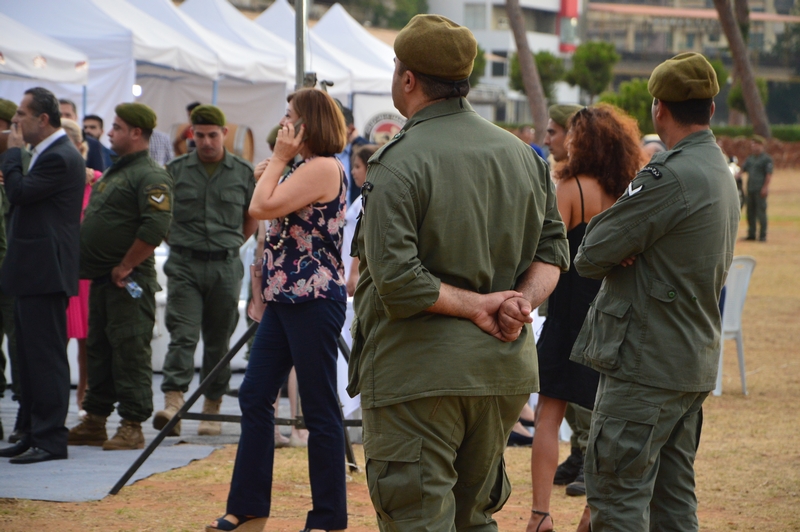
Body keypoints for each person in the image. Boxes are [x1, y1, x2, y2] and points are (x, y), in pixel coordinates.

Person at [348, 15, 569, 531]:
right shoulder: (524, 157)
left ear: (407, 79)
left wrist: (482, 304)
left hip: (419, 377)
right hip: (500, 374)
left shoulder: (397, 162)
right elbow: (554, 251)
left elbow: (398, 280)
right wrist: (520, 301)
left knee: (420, 520)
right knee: (474, 519)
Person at [569, 52, 740, 531]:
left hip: (646, 363)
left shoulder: (668, 175)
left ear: (658, 108)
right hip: (688, 361)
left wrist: (631, 245)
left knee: (619, 500)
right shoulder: (722, 174)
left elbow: (591, 252)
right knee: (673, 505)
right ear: (710, 110)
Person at [207, 88, 349, 532]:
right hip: (285, 299)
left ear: (309, 124)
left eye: (290, 117)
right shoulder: (304, 168)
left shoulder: (323, 167)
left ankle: (327, 519)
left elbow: (259, 206)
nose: (283, 125)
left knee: (320, 408)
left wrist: (278, 167)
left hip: (313, 299)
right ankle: (249, 508)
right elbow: (267, 224)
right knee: (254, 394)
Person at [526, 104, 645, 532]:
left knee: (548, 418)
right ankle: (593, 511)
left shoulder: (572, 188)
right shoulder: (627, 191)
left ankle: (540, 515)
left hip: (566, 318)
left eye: (572, 136)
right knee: (604, 423)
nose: (565, 142)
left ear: (586, 143)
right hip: (610, 321)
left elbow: (549, 253)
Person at [67, 103, 173, 451]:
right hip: (102, 279)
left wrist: (127, 265)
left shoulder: (151, 175)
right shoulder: (117, 171)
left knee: (130, 350)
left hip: (128, 280)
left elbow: (156, 226)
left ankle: (132, 425)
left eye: (116, 127)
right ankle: (95, 420)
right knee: (99, 350)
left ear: (136, 133)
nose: (109, 133)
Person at [153, 104, 257, 437]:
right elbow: (163, 218)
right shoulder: (176, 170)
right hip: (184, 263)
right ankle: (173, 404)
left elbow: (251, 217)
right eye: (200, 136)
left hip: (225, 265)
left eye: (213, 135)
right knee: (182, 334)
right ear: (191, 135)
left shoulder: (242, 171)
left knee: (218, 340)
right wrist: (182, 243)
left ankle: (211, 406)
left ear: (224, 134)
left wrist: (229, 245)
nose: (207, 141)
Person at [0, 87, 84, 464]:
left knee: (46, 358)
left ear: (43, 119)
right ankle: (32, 430)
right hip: (33, 270)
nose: (16, 121)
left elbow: (18, 192)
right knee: (29, 357)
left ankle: (50, 438)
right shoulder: (49, 153)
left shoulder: (60, 157)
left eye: (22, 114)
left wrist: (13, 154)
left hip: (45, 271)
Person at [542, 103, 594, 493]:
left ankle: (587, 458)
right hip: (588, 297)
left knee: (567, 386)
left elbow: (550, 247)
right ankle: (580, 453)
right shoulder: (613, 181)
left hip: (571, 298)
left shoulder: (571, 186)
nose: (546, 139)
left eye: (553, 132)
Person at [61, 119, 103, 416]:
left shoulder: (97, 181)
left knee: (89, 342)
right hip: (59, 267)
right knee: (56, 338)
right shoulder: (46, 179)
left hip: (86, 269)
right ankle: (56, 399)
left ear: (79, 146)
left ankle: (84, 398)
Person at [342, 143, 378, 296]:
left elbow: (363, 237)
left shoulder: (368, 198)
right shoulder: (362, 197)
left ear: (369, 167)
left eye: (357, 166)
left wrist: (354, 273)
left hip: (353, 271)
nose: (352, 171)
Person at [739, 135, 773, 242]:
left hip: (760, 189)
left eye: (756, 145)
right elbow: (742, 170)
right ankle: (751, 234)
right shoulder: (750, 158)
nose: (754, 147)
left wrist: (765, 187)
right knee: (750, 212)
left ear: (762, 145)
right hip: (750, 189)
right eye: (753, 145)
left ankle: (762, 235)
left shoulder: (766, 159)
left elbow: (768, 175)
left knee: (761, 212)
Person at [59, 99, 107, 172]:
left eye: (68, 115)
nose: (63, 118)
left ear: (76, 117)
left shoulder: (93, 144)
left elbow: (98, 176)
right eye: (60, 115)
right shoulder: (44, 140)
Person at [335, 105, 369, 206]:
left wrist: (357, 139)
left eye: (336, 126)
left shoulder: (358, 150)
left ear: (350, 128)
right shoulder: (322, 152)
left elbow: (374, 151)